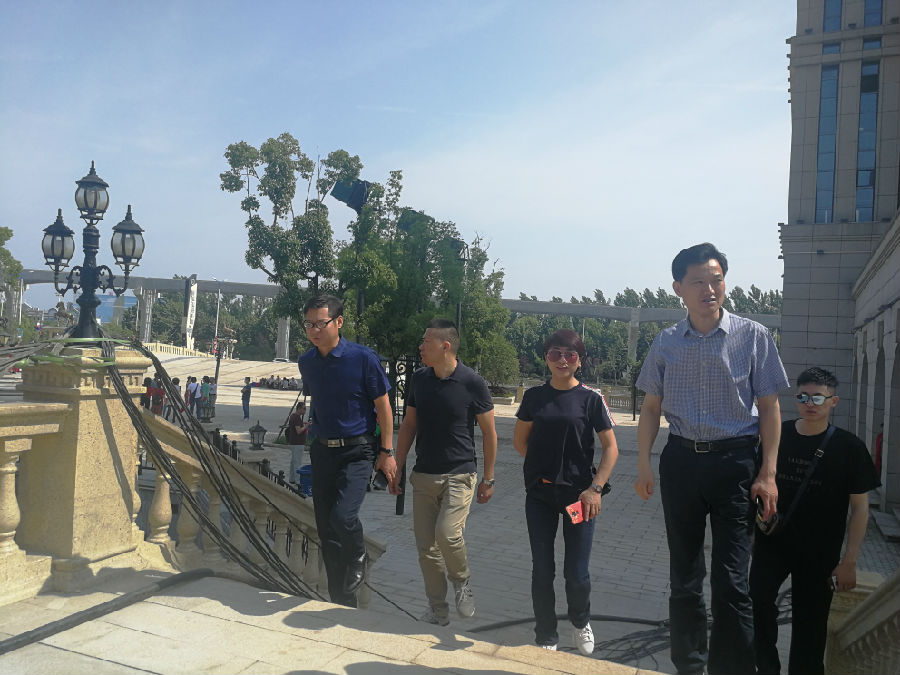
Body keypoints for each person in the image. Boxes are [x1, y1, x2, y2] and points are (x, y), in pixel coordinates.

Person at [633, 242, 790, 675]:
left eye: (716, 279)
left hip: (735, 465)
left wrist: (768, 473)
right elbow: (650, 408)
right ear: (678, 289)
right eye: (698, 281)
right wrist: (644, 463)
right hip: (681, 462)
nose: (709, 289)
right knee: (684, 577)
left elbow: (770, 408)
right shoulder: (666, 342)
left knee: (731, 581)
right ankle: (689, 666)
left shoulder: (753, 336)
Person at [750, 367, 880, 675]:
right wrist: (751, 535)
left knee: (810, 626)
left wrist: (849, 561)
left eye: (818, 398)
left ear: (833, 401)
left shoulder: (849, 448)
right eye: (803, 397)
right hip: (773, 543)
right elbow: (756, 487)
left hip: (820, 552)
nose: (810, 403)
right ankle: (766, 668)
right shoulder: (777, 436)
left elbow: (860, 509)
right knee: (758, 605)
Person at [513, 329, 619, 654]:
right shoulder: (534, 397)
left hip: (579, 498)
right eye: (555, 354)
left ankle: (580, 621)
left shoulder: (591, 399)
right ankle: (546, 634)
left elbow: (611, 447)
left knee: (576, 572)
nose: (562, 360)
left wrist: (595, 488)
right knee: (542, 569)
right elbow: (520, 441)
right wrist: (543, 468)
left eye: (570, 354)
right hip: (541, 497)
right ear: (546, 358)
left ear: (579, 360)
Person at [393, 319, 498, 627]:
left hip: (460, 474)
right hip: (424, 475)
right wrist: (397, 466)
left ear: (445, 346)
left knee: (447, 534)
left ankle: (462, 582)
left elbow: (489, 433)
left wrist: (489, 478)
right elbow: (409, 425)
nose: (421, 347)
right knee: (426, 549)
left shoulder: (472, 382)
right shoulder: (419, 380)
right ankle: (437, 611)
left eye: (426, 341)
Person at [297, 294, 397, 607]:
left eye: (320, 323)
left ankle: (357, 554)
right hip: (322, 452)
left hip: (358, 451)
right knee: (327, 531)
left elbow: (384, 408)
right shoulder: (307, 362)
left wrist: (387, 452)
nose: (314, 330)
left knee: (343, 516)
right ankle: (341, 602)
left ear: (338, 322)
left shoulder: (363, 358)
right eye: (308, 324)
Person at [287, 401, 310, 485]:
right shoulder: (296, 418)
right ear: (299, 409)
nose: (305, 411)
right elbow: (298, 431)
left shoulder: (293, 416)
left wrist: (303, 424)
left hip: (294, 442)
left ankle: (292, 478)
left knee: (293, 461)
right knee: (297, 462)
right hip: (298, 442)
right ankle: (297, 481)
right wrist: (306, 426)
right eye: (304, 409)